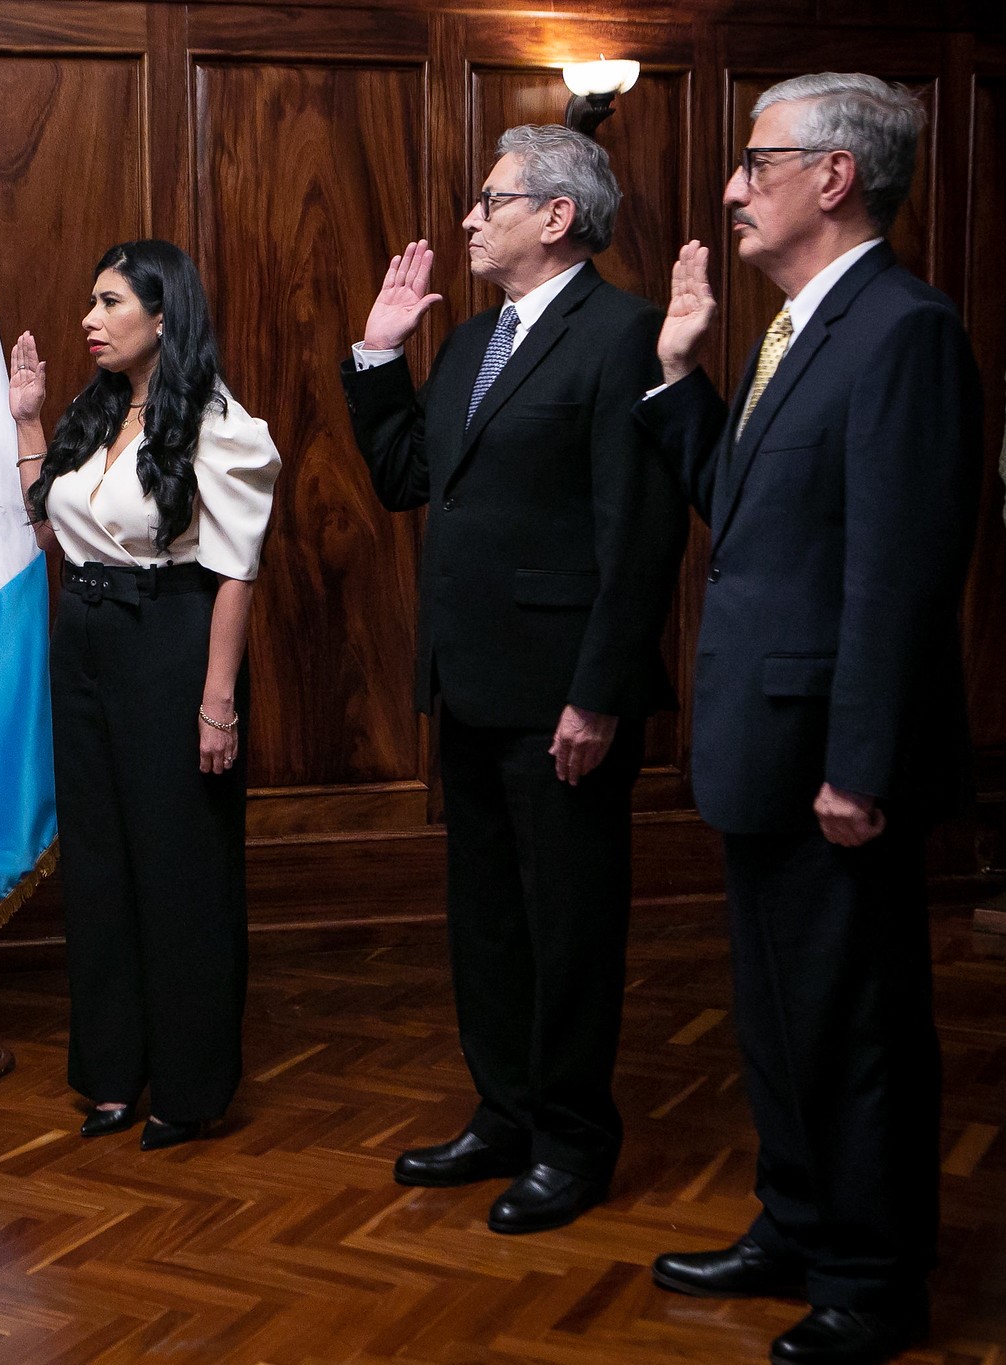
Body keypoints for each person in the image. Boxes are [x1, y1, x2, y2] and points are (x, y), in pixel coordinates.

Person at [638, 74, 980, 1365]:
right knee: (780, 1009)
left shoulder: (905, 329)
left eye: (754, 162)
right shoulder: (793, 329)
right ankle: (793, 1223)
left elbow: (900, 570)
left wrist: (861, 761)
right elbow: (747, 518)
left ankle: (873, 1279)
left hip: (834, 757)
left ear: (832, 176)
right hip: (762, 745)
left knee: (858, 1020)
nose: (731, 187)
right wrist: (678, 373)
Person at [338, 125, 684, 1234]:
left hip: (562, 695)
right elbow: (406, 480)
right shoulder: (474, 340)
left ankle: (572, 1145)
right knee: (485, 919)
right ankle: (503, 1114)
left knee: (569, 924)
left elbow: (636, 534)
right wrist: (380, 355)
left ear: (557, 216)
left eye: (491, 200)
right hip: (469, 678)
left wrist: (599, 693)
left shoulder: (624, 336)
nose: (469, 218)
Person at [6, 240, 281, 1151]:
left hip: (171, 644)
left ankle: (189, 1088)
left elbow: (236, 571)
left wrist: (218, 700)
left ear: (163, 317)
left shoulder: (220, 424)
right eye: (92, 299)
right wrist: (27, 421)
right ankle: (114, 1074)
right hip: (82, 644)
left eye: (111, 301)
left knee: (181, 870)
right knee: (101, 865)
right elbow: (48, 524)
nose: (90, 318)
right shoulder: (95, 412)